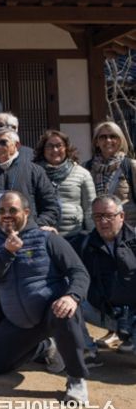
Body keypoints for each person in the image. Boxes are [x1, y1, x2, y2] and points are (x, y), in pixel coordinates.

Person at [0, 191, 90, 404]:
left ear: (26, 212)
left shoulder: (47, 237)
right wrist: (6, 253)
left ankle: (76, 379)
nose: (6, 215)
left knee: (66, 312)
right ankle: (45, 347)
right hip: (18, 321)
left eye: (13, 210)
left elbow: (79, 272)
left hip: (51, 314)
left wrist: (72, 297)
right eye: (1, 211)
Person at [0, 127, 60, 334]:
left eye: (3, 142)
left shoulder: (34, 171)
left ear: (16, 145)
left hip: (28, 244)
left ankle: (34, 341)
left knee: (27, 293)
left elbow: (51, 207)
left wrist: (35, 229)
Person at [84, 122, 136, 349]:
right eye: (102, 137)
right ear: (96, 141)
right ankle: (114, 329)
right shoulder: (88, 167)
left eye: (113, 136)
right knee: (105, 282)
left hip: (128, 233)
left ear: (120, 139)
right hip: (99, 233)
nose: (108, 141)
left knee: (127, 280)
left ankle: (130, 331)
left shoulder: (129, 166)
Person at [77, 195, 136, 362]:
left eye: (109, 216)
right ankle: (87, 350)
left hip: (133, 315)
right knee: (65, 302)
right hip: (102, 312)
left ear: (121, 216)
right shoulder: (84, 243)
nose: (103, 221)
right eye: (97, 216)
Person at [34, 130, 96, 238]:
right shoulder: (34, 173)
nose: (55, 150)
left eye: (59, 145)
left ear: (66, 148)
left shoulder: (82, 174)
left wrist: (92, 236)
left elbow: (90, 209)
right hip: (42, 234)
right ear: (43, 149)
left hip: (75, 235)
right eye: (50, 146)